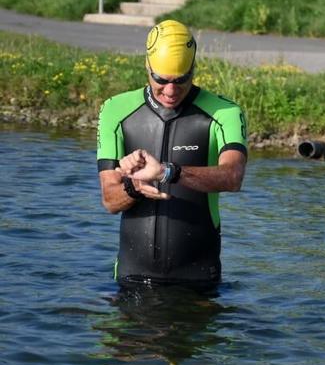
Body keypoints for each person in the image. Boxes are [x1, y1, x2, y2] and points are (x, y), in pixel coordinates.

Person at [97, 19, 247, 288]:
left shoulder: (224, 114)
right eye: (161, 80)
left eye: (181, 80)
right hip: (132, 280)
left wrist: (168, 171)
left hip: (198, 282)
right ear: (147, 66)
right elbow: (110, 200)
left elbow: (233, 176)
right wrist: (135, 186)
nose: (170, 90)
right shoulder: (115, 111)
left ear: (194, 69)